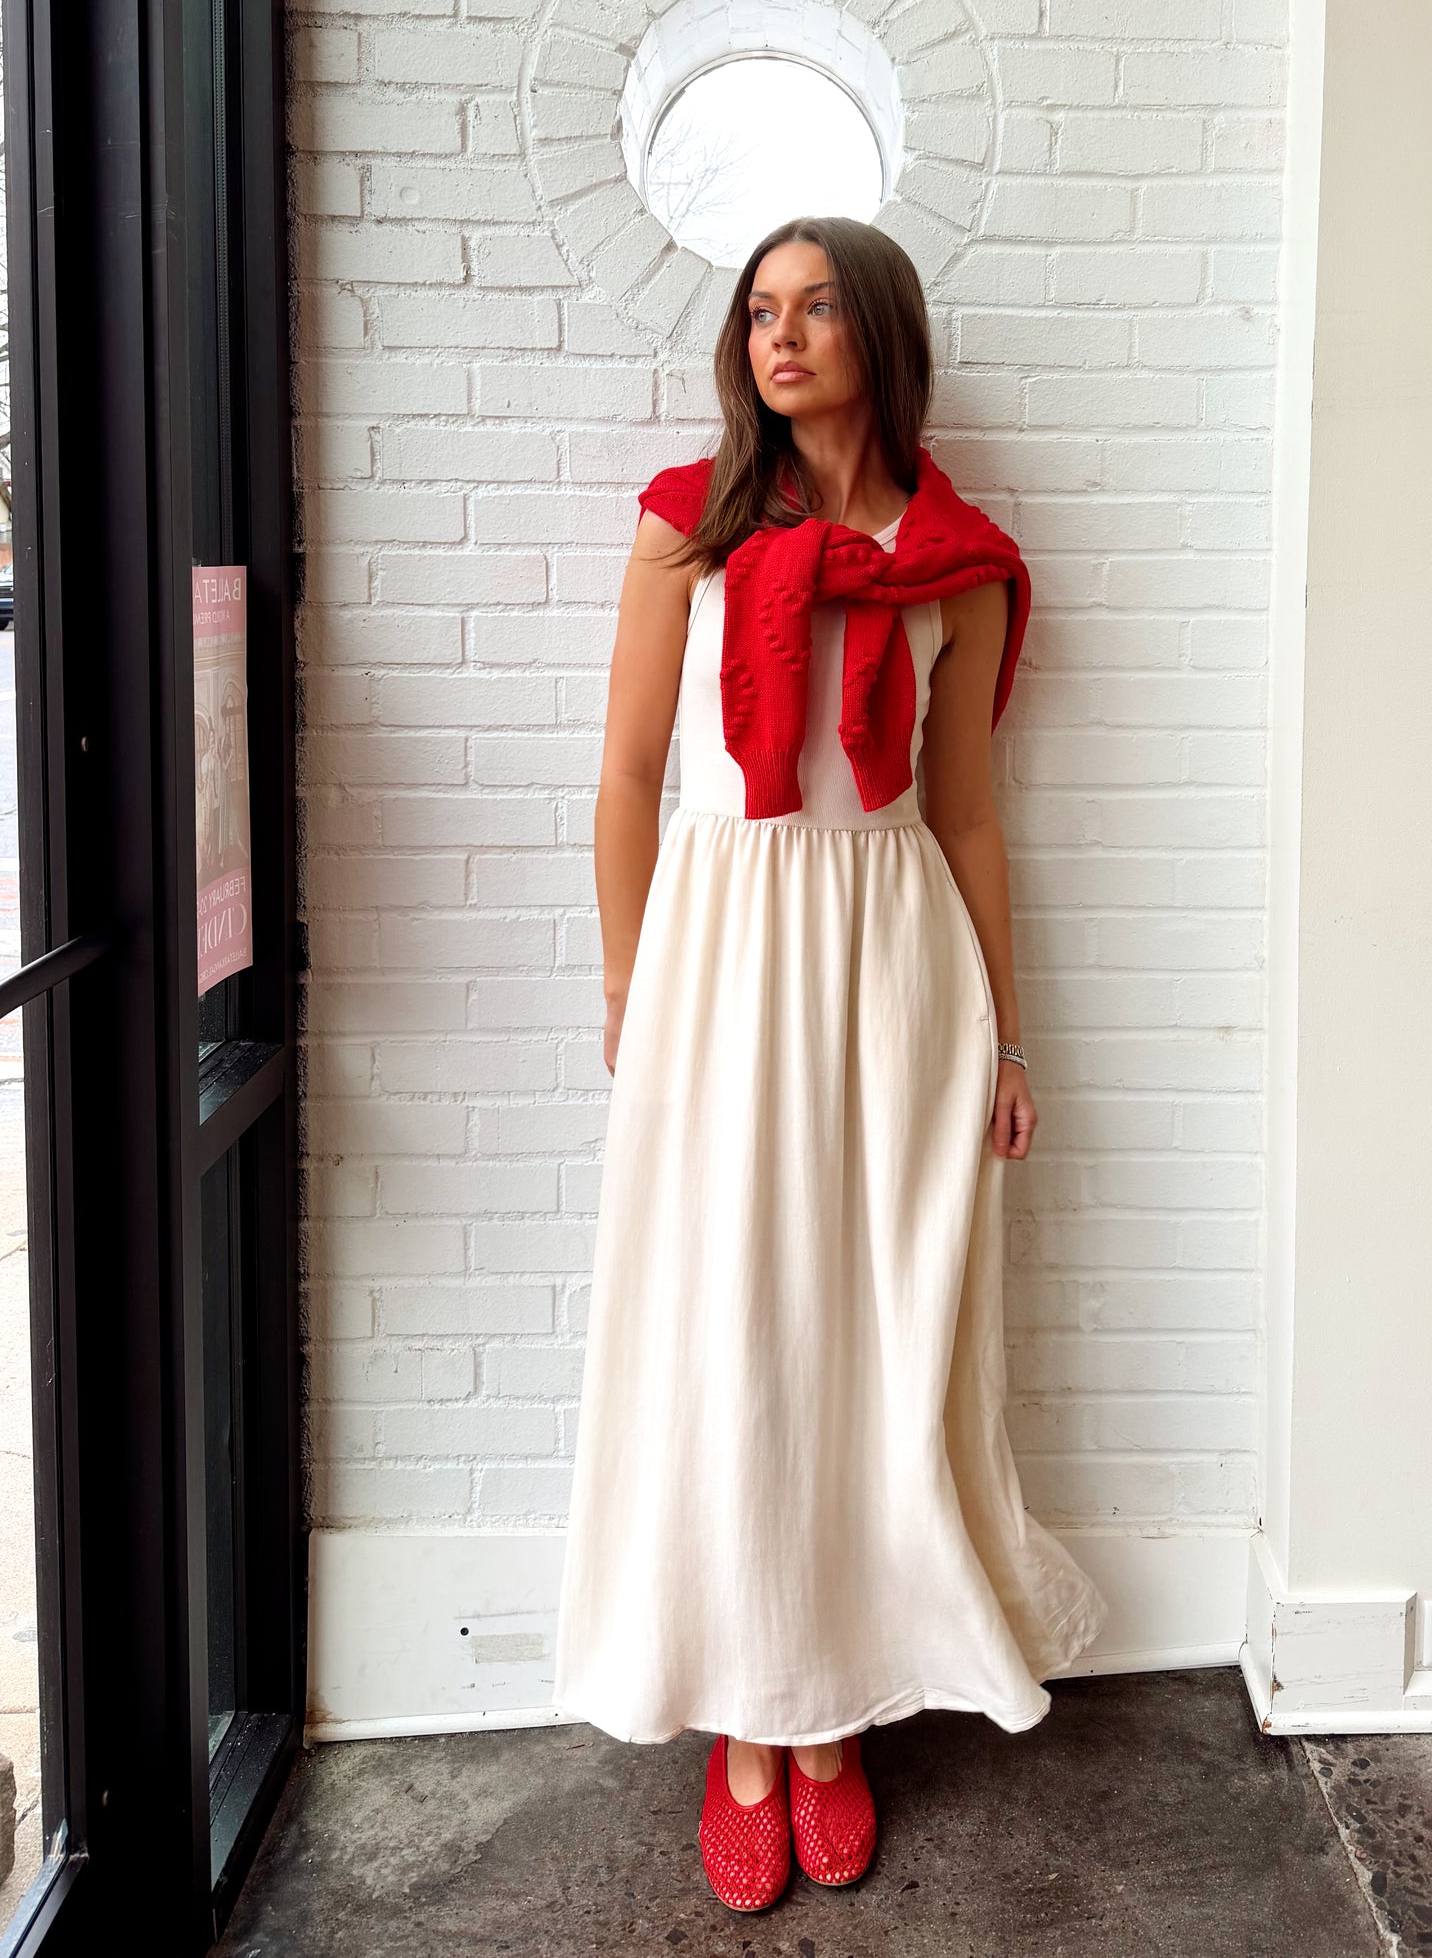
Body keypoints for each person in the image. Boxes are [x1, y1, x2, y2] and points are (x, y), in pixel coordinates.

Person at [553, 216, 1103, 1913]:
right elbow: (628, 780)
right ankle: (746, 1716)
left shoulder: (960, 565)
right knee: (732, 1329)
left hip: (896, 966)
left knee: (878, 1336)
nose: (776, 337)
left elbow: (968, 815)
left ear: (879, 333)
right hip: (722, 962)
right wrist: (630, 985)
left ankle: (835, 1716)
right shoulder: (687, 530)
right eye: (757, 313)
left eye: (812, 310)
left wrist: (1007, 1034)